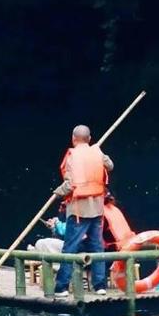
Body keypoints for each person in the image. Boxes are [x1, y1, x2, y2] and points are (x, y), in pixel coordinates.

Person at [52, 124, 114, 297]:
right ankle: (100, 286)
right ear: (89, 138)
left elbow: (70, 184)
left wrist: (58, 193)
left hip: (79, 211)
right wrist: (100, 153)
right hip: (97, 208)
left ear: (73, 138)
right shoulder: (97, 152)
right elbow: (110, 166)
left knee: (70, 248)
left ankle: (62, 287)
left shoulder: (72, 156)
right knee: (97, 247)